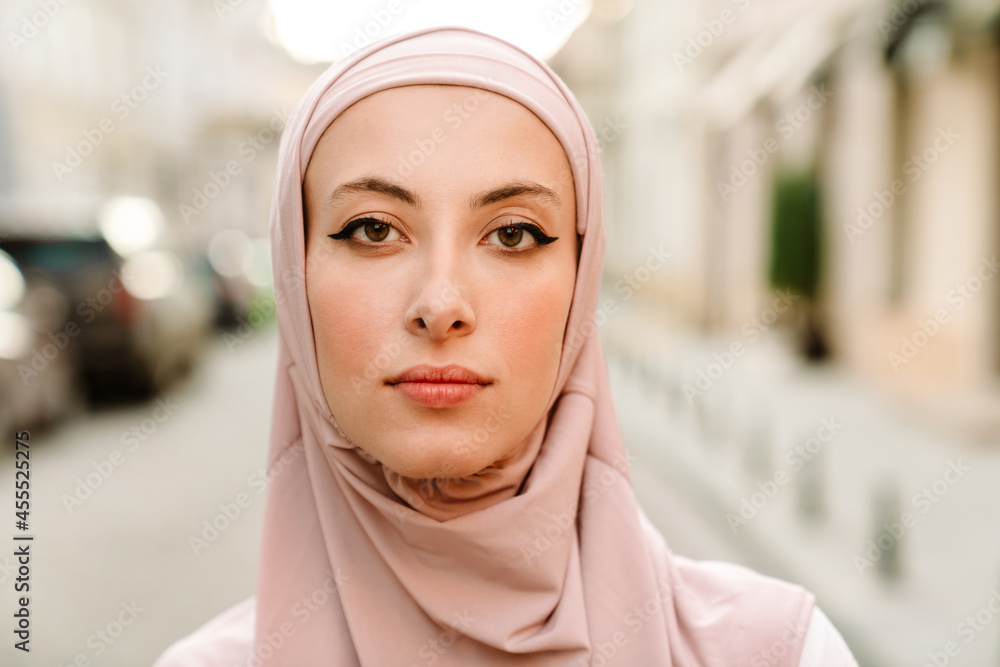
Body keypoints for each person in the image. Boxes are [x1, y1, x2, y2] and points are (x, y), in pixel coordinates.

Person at [154, 25, 858, 666]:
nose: (440, 305)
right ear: (294, 268)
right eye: (373, 229)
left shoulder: (781, 653)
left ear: (581, 281)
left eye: (513, 233)